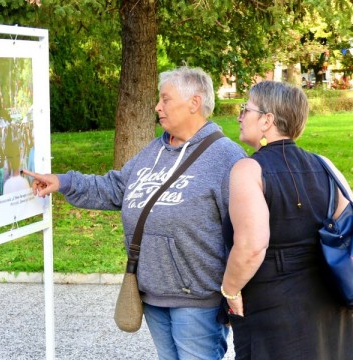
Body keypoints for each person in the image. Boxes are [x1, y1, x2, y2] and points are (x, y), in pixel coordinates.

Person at [23, 66, 246, 359]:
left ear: (194, 102)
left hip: (198, 299)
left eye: (165, 99)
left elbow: (245, 232)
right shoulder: (154, 150)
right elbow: (115, 188)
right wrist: (63, 181)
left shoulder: (226, 157)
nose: (157, 107)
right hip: (152, 292)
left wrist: (235, 290)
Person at [220, 80, 353, 359]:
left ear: (267, 120)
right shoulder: (325, 165)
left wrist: (230, 290)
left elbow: (252, 246)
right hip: (329, 302)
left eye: (246, 109)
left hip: (274, 308)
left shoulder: (249, 170)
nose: (239, 116)